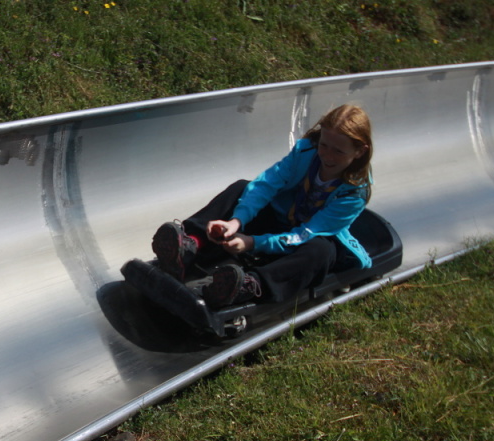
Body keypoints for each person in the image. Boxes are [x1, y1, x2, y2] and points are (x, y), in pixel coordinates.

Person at [151, 103, 374, 309]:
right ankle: (190, 245)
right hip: (281, 219)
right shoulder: (306, 151)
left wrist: (252, 243)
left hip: (305, 238)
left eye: (338, 151)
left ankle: (251, 285)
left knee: (321, 251)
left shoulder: (355, 192)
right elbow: (267, 183)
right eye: (324, 145)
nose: (327, 155)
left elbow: (305, 234)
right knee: (244, 187)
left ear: (359, 151)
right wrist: (236, 221)